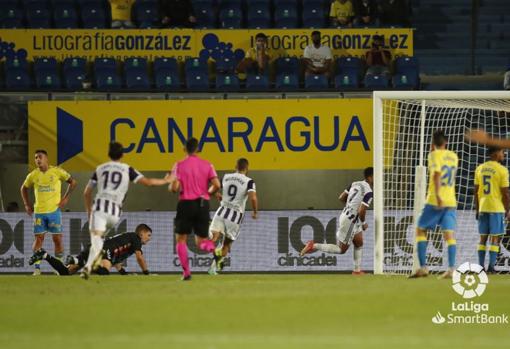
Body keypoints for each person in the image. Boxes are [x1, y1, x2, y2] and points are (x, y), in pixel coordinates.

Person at [80, 142, 172, 280]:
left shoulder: (100, 169)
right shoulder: (127, 169)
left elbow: (86, 193)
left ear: (108, 154)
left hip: (100, 208)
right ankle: (87, 265)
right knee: (99, 240)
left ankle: (86, 265)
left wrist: (89, 211)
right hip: (115, 212)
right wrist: (166, 180)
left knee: (97, 239)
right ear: (122, 154)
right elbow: (148, 183)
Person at [300, 167, 373, 275]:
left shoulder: (355, 183)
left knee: (359, 243)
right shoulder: (369, 192)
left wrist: (350, 208)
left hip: (347, 215)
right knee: (341, 250)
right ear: (370, 177)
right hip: (351, 220)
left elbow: (341, 197)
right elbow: (362, 210)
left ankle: (357, 271)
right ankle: (313, 245)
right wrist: (363, 223)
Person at [170, 137, 221, 281]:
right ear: (198, 149)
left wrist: (172, 186)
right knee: (201, 241)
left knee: (181, 239)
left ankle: (186, 273)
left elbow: (174, 188)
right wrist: (207, 194)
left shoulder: (179, 165)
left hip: (186, 203)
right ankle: (214, 250)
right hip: (203, 204)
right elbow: (217, 184)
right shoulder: (207, 165)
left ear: (184, 149)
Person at [410, 130, 458, 279]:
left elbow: (437, 175)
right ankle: (451, 269)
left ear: (432, 144)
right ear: (446, 142)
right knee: (449, 234)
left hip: (435, 200)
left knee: (420, 230)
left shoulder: (433, 155)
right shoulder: (454, 156)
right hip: (451, 200)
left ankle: (424, 267)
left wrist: (437, 196)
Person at [20, 149, 77, 276]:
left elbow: (73, 182)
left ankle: (58, 266)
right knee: (39, 239)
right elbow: (23, 188)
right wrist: (26, 204)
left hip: (54, 212)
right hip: (39, 212)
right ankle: (37, 268)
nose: (37, 160)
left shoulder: (57, 171)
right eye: (35, 158)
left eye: (40, 157)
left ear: (46, 158)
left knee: (57, 239)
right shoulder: (33, 175)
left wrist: (66, 197)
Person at [29, 224, 153, 276]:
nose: (149, 239)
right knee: (104, 272)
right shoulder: (136, 238)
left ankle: (44, 255)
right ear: (141, 233)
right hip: (104, 250)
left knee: (66, 273)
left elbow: (117, 262)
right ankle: (78, 261)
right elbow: (139, 257)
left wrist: (123, 273)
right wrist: (146, 272)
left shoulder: (129, 242)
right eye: (148, 235)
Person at [207, 158, 258, 275]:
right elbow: (253, 197)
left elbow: (212, 188)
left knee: (213, 237)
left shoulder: (226, 177)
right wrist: (255, 211)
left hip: (221, 210)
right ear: (247, 168)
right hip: (234, 215)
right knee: (226, 244)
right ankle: (214, 268)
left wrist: (217, 194)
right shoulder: (249, 181)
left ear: (236, 166)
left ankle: (213, 267)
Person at [474, 146, 509, 273]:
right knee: (495, 238)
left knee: (482, 238)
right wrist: (507, 209)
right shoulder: (502, 170)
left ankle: (480, 267)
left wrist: (477, 209)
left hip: (483, 207)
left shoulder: (480, 168)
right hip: (496, 208)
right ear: (495, 154)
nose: (503, 154)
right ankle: (491, 268)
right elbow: (505, 193)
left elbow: (476, 191)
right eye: (501, 152)